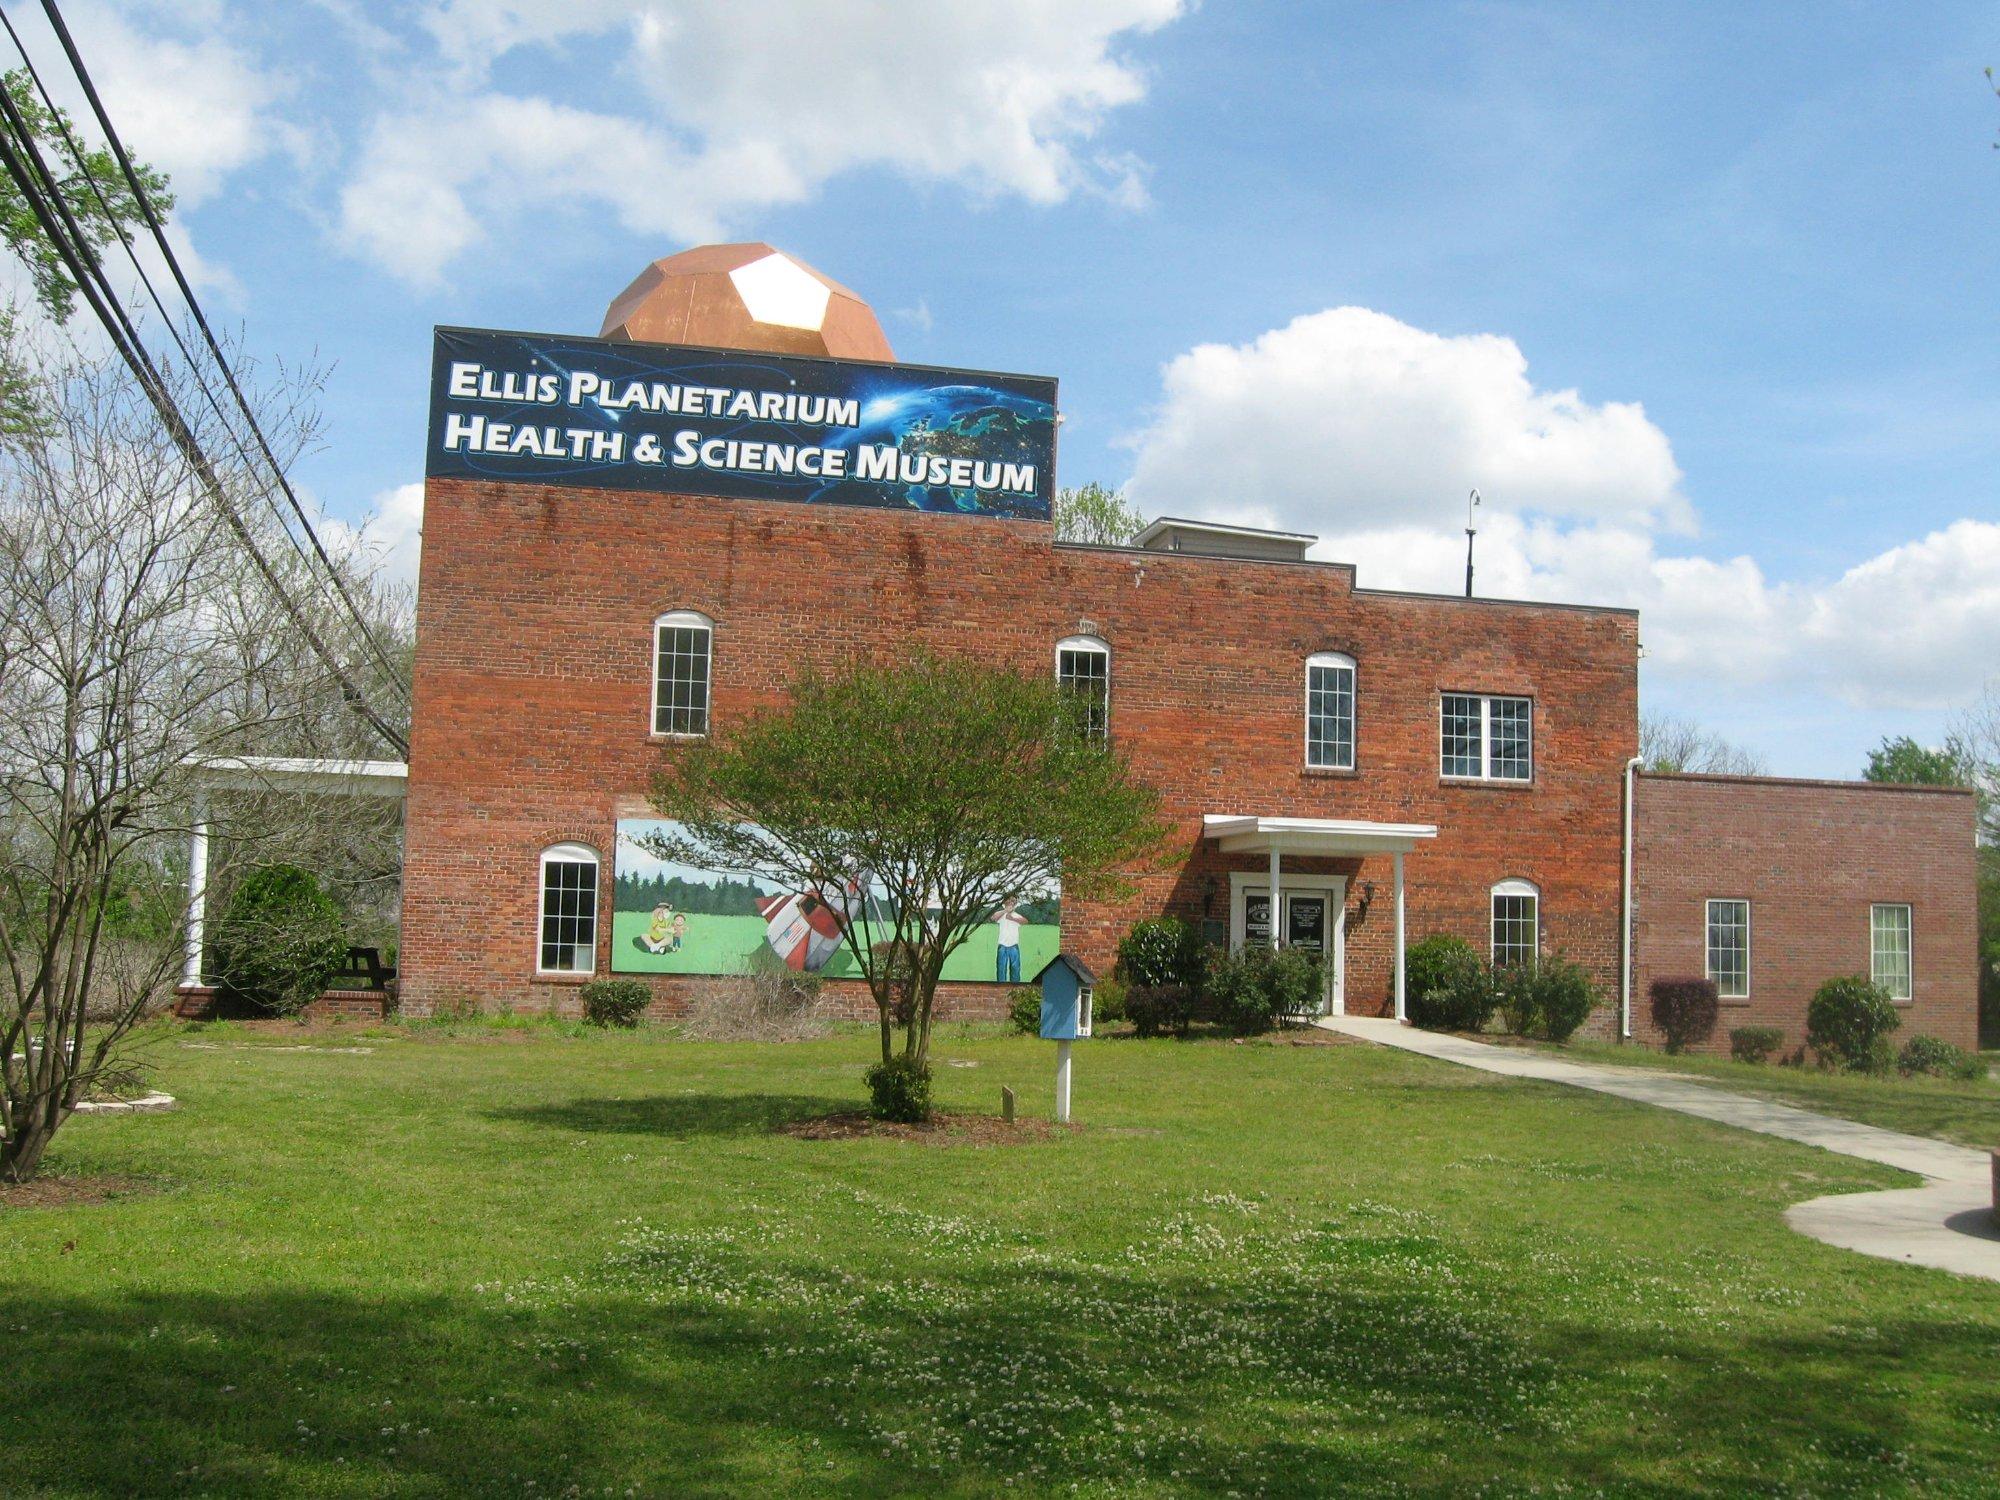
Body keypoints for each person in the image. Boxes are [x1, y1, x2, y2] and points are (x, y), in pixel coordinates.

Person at [994, 900, 1024, 984]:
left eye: (1012, 904)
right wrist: (1005, 911)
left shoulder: (1016, 915)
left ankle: (1015, 988)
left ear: (1014, 906)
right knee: (1001, 969)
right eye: (1008, 904)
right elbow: (994, 918)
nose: (1010, 906)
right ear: (1004, 905)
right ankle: (1001, 988)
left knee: (1015, 969)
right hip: (1002, 946)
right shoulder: (1000, 914)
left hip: (1014, 946)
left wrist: (1013, 919)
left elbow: (1025, 921)